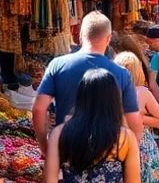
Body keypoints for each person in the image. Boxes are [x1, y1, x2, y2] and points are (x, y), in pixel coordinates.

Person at [33, 12, 142, 157]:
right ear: (108, 38)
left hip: (67, 150)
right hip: (107, 154)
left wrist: (45, 148)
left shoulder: (57, 65)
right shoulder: (121, 73)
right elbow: (134, 121)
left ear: (80, 35)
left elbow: (38, 110)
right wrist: (128, 156)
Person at [115, 52, 159, 183]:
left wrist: (138, 117)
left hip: (120, 145)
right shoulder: (141, 92)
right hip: (141, 145)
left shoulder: (111, 92)